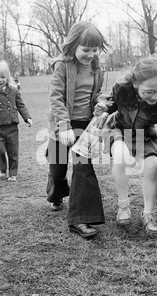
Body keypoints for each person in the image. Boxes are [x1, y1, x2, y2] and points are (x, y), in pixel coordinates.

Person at [95, 57, 157, 237]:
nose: (155, 96)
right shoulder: (122, 88)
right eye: (148, 92)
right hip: (119, 130)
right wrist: (104, 109)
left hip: (146, 135)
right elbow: (111, 102)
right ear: (136, 84)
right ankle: (123, 205)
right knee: (121, 155)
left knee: (152, 166)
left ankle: (148, 214)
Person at [46, 21, 109, 239]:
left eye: (95, 49)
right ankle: (56, 193)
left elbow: (96, 93)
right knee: (57, 169)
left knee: (83, 167)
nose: (91, 54)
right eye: (86, 49)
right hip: (62, 123)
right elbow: (56, 98)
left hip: (85, 124)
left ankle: (81, 219)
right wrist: (64, 127)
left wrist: (100, 102)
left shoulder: (97, 68)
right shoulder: (63, 66)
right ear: (73, 45)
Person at [0, 60, 33, 182]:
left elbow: (21, 105)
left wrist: (27, 118)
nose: (0, 80)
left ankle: (12, 173)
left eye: (2, 77)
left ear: (7, 77)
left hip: (12, 127)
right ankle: (2, 169)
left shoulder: (14, 91)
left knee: (13, 151)